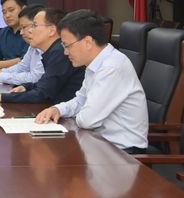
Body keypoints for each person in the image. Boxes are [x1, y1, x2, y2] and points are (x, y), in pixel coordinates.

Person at [35, 9, 149, 153]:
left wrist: (75, 113)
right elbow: (80, 101)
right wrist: (57, 109)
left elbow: (87, 120)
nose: (65, 52)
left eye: (67, 45)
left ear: (88, 42)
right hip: (99, 144)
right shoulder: (95, 64)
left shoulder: (111, 68)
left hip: (123, 153)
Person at [0, 8, 84, 104]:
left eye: (34, 25)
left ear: (51, 30)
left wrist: (0, 97)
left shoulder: (60, 52)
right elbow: (45, 82)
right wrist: (27, 87)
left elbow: (42, 94)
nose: (30, 30)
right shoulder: (53, 50)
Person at [0, 4, 45, 85]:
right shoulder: (33, 46)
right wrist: (0, 72)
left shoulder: (52, 49)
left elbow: (35, 78)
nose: (21, 33)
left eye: (24, 27)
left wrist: (0, 76)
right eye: (4, 12)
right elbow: (22, 67)